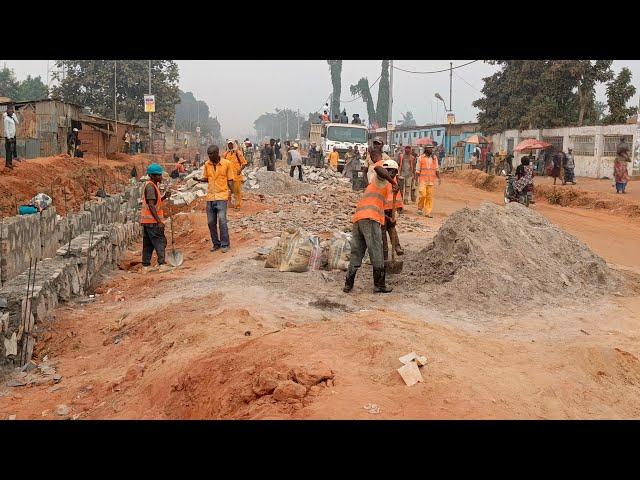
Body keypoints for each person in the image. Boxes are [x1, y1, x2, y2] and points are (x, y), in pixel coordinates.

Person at [343, 150, 398, 294]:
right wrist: (392, 181)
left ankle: (348, 284)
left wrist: (388, 219)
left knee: (357, 252)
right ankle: (379, 285)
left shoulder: (382, 185)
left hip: (360, 219)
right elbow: (378, 169)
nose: (393, 176)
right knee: (377, 251)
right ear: (389, 171)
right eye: (392, 173)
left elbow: (376, 206)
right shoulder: (381, 179)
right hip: (369, 220)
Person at [193, 145, 234, 253]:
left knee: (222, 221)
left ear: (217, 153)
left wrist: (233, 193)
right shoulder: (207, 164)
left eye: (211, 154)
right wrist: (199, 179)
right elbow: (207, 178)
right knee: (211, 222)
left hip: (222, 196)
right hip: (210, 197)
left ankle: (225, 244)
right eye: (208, 154)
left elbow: (230, 180)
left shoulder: (227, 164)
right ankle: (216, 244)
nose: (209, 156)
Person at [140, 163, 172, 273]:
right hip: (152, 221)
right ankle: (162, 264)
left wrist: (164, 197)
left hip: (147, 221)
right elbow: (151, 205)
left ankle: (146, 266)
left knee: (148, 244)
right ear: (153, 176)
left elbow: (155, 202)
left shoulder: (152, 186)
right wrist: (159, 221)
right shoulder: (150, 187)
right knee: (160, 241)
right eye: (159, 175)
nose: (161, 177)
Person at [382, 159, 404, 260]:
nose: (391, 174)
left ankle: (397, 246)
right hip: (380, 211)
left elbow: (397, 195)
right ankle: (384, 253)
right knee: (382, 231)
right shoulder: (380, 181)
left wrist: (399, 207)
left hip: (390, 209)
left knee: (391, 227)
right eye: (389, 171)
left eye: (393, 172)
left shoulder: (394, 181)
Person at [415, 146, 441, 217]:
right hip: (422, 180)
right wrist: (416, 180)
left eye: (432, 148)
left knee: (429, 197)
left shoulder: (434, 158)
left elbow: (436, 169)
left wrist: (439, 178)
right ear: (426, 149)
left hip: (431, 181)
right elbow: (417, 170)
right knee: (423, 195)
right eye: (429, 148)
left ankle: (427, 212)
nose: (431, 150)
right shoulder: (420, 158)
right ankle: (420, 208)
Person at [224, 139, 248, 209]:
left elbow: (244, 163)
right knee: (228, 191)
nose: (230, 145)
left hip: (236, 176)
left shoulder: (238, 153)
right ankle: (229, 204)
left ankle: (238, 205)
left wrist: (240, 170)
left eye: (231, 144)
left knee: (237, 191)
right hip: (228, 176)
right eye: (229, 144)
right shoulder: (226, 154)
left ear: (234, 144)